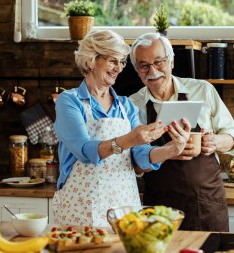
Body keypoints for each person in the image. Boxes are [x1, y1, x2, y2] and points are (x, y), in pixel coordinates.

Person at [52, 30, 191, 227]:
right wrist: (130, 139)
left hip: (124, 206)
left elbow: (140, 156)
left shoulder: (126, 106)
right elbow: (85, 151)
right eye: (112, 61)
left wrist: (171, 150)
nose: (118, 68)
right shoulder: (70, 101)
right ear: (91, 61)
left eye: (122, 62)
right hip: (81, 207)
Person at [129, 33, 234, 232]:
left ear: (171, 62)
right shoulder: (131, 105)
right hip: (159, 209)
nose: (152, 71)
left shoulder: (203, 90)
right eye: (144, 65)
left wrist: (214, 142)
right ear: (137, 70)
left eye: (159, 62)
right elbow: (133, 164)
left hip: (205, 203)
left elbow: (232, 135)